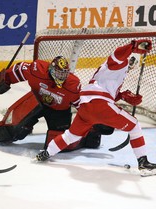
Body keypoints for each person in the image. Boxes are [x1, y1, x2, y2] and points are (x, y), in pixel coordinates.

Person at [35, 39, 156, 177]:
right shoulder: (117, 63)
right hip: (99, 103)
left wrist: (123, 96)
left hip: (85, 105)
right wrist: (132, 46)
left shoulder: (115, 74)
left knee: (71, 135)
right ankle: (144, 163)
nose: (132, 65)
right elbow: (117, 54)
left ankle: (45, 154)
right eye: (132, 62)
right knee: (134, 126)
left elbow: (108, 93)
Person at [0, 56, 114, 151]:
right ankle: (24, 126)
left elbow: (82, 106)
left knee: (57, 144)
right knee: (5, 134)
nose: (61, 77)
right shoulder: (37, 69)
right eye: (58, 73)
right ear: (50, 69)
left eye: (64, 74)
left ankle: (87, 137)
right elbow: (19, 70)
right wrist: (2, 79)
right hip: (35, 102)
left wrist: (96, 120)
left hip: (59, 112)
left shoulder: (73, 85)